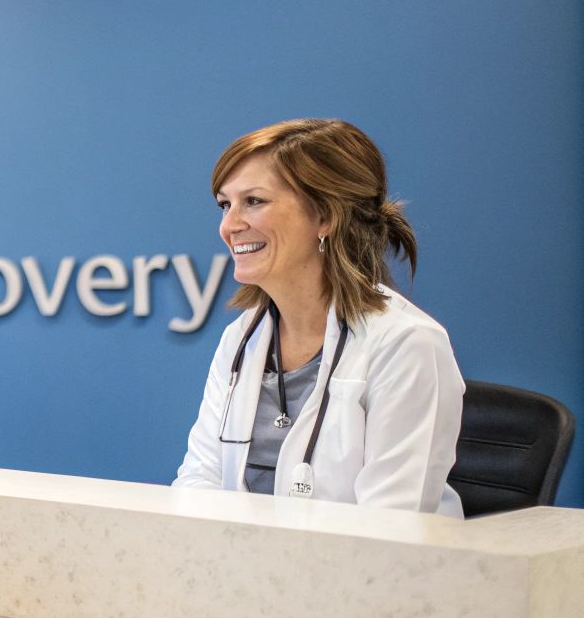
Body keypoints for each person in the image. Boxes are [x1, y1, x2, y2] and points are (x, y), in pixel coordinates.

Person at [174, 119, 464, 516]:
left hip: (371, 573)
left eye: (254, 201)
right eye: (226, 204)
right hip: (246, 569)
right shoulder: (243, 337)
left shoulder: (407, 343)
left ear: (326, 216)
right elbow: (198, 481)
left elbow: (392, 526)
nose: (230, 225)